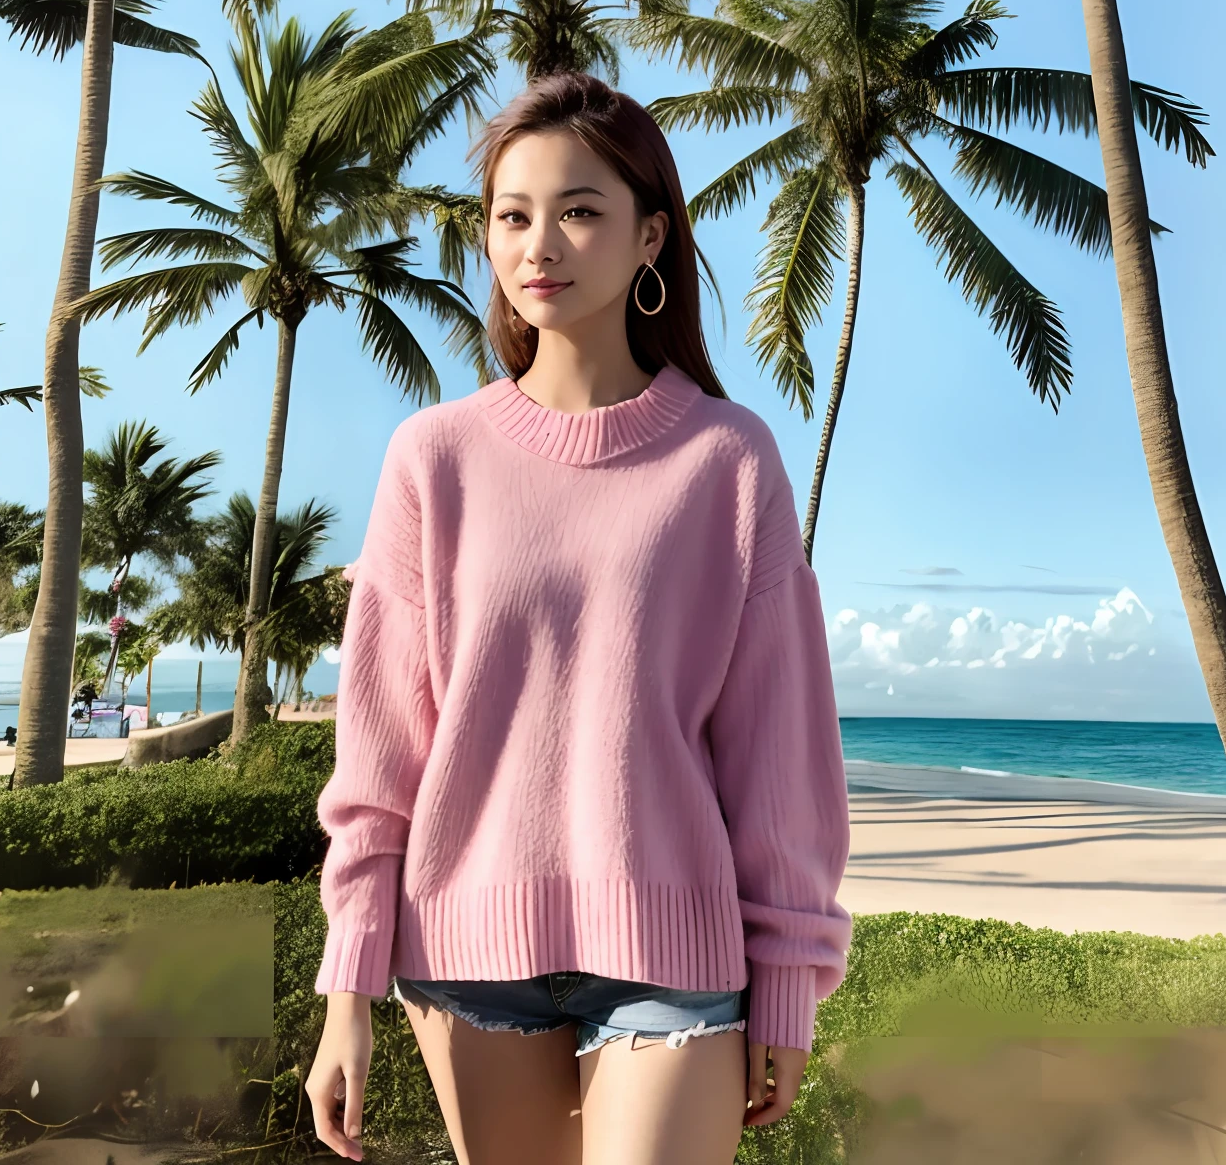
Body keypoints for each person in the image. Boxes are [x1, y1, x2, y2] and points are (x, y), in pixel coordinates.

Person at [305, 74, 852, 1165]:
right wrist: (346, 987)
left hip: (672, 949)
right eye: (513, 215)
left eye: (580, 209)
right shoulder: (434, 458)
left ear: (651, 235)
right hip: (466, 947)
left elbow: (779, 755)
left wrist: (788, 983)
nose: (539, 242)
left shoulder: (728, 460)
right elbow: (381, 753)